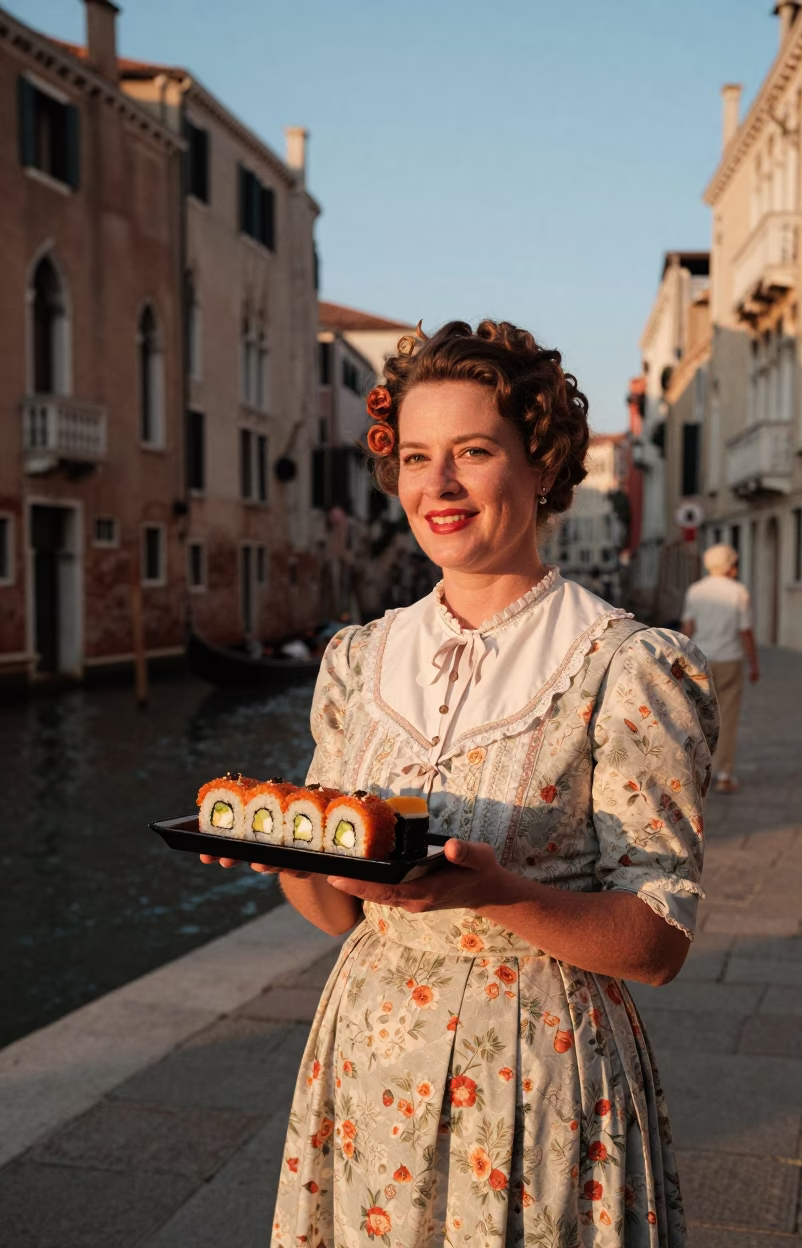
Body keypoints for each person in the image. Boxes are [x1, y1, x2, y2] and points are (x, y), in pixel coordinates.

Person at [202, 321, 718, 1247]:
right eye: (415, 458)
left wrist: (499, 893)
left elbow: (655, 945)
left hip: (538, 1074)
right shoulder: (356, 660)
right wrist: (280, 855)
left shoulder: (629, 667)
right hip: (365, 1060)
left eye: (473, 453)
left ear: (541, 465)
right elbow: (336, 915)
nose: (436, 487)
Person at [681, 544, 758, 795]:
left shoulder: (696, 591)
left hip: (699, 659)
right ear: (730, 566)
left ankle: (694, 771)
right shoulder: (738, 591)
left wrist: (678, 660)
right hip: (730, 660)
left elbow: (688, 628)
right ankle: (724, 774)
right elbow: (745, 631)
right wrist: (754, 663)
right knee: (727, 718)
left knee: (697, 715)